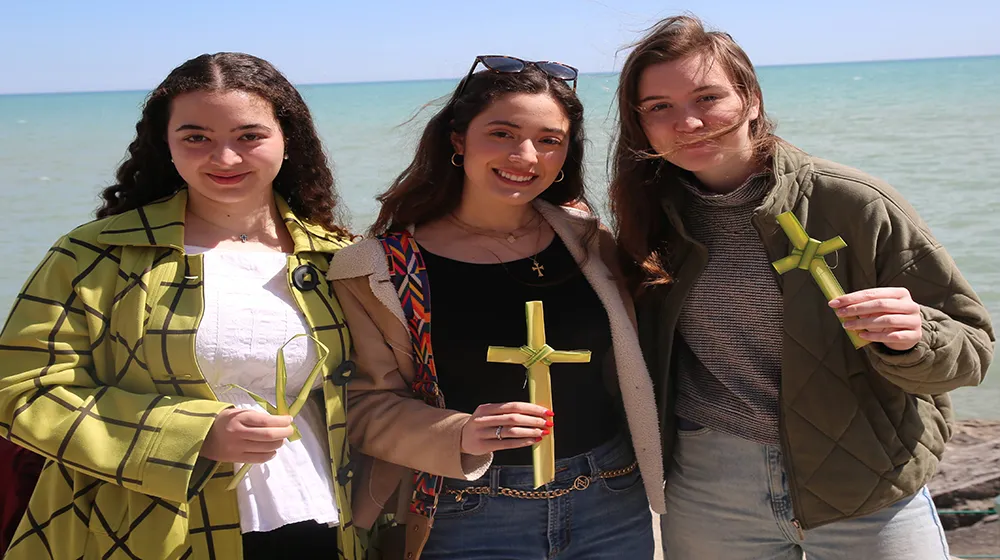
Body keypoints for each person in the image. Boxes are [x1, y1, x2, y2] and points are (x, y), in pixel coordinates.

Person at [608, 15, 995, 560]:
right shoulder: (652, 222)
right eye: (659, 107)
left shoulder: (853, 203)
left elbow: (972, 351)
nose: (688, 123)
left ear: (751, 101)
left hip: (864, 481)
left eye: (708, 97)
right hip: (710, 486)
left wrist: (916, 336)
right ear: (640, 124)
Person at [0, 52, 363, 560]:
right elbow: (21, 393)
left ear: (288, 139)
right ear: (166, 145)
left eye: (249, 136)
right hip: (137, 533)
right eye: (197, 138)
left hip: (326, 521)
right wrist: (191, 433)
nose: (225, 158)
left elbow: (380, 391)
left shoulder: (340, 258)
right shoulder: (94, 254)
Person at [327, 55, 665, 560]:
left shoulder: (588, 241)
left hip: (611, 496)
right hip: (470, 511)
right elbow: (362, 407)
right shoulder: (382, 267)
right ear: (458, 140)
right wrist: (460, 431)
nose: (526, 155)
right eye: (503, 133)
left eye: (550, 140)